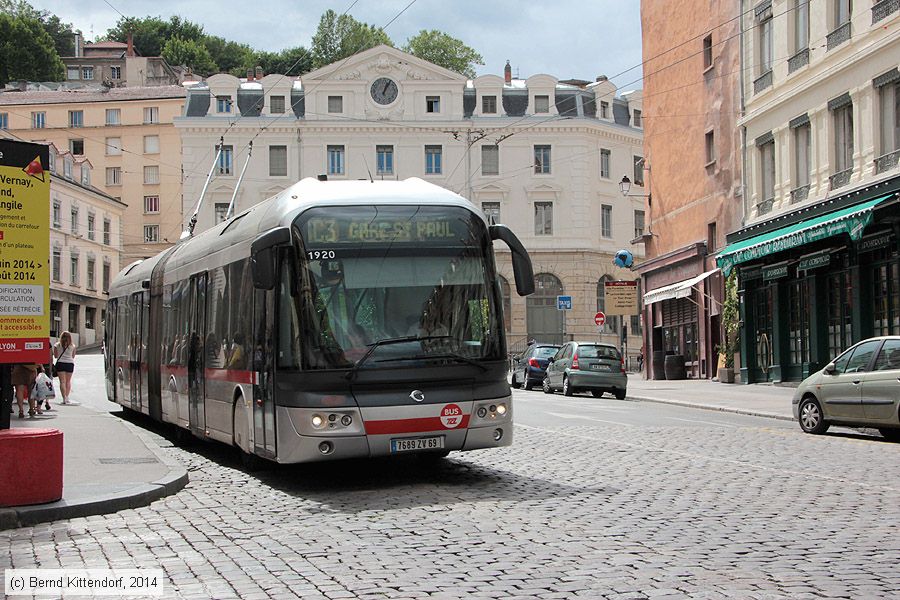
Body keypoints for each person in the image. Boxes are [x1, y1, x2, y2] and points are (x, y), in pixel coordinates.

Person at [53, 331, 77, 404]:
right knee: (68, 382)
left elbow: (56, 356)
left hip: (60, 363)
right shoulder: (72, 346)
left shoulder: (57, 345)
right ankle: (67, 397)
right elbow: (73, 356)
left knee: (62, 382)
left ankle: (63, 398)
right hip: (69, 364)